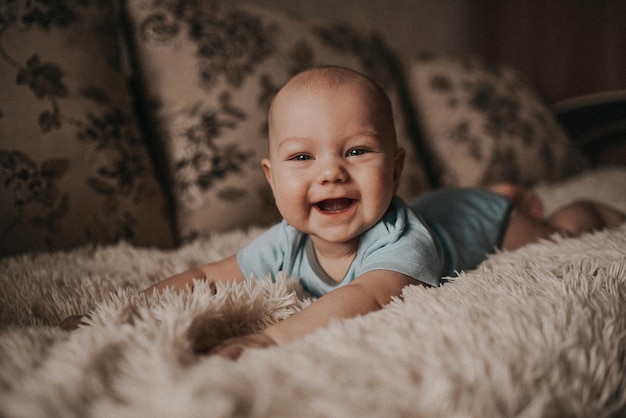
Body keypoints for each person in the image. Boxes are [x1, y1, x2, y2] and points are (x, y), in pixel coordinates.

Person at [60, 66, 625, 359]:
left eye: (356, 151)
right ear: (271, 177)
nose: (330, 173)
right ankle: (501, 189)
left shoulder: (401, 242)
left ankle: (574, 205)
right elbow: (210, 275)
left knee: (555, 231)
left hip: (482, 220)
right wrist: (131, 307)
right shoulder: (286, 240)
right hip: (449, 205)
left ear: (396, 169)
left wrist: (271, 341)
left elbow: (369, 297)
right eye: (302, 157)